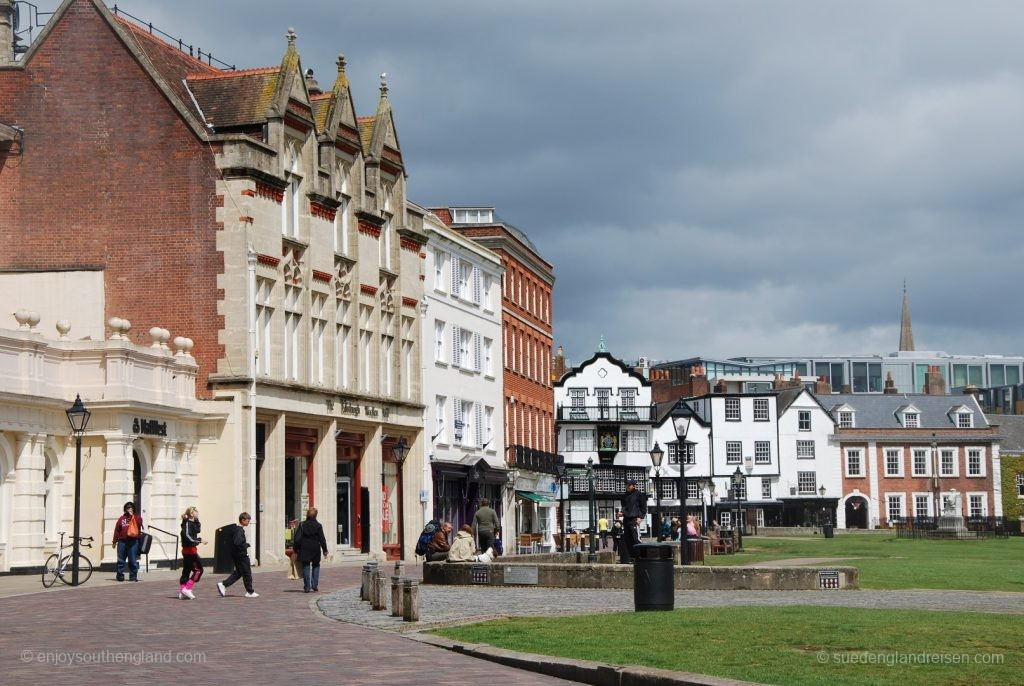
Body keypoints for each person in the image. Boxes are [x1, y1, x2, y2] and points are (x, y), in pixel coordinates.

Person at [217, 512, 258, 598]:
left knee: (239, 573)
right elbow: (237, 542)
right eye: (248, 520)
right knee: (247, 573)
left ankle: (223, 584)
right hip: (241, 556)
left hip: (238, 555)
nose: (249, 522)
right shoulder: (239, 530)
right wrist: (246, 545)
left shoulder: (237, 529)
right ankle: (250, 592)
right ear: (243, 520)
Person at [293, 507, 329, 593]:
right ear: (316, 515)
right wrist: (325, 550)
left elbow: (297, 539)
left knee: (306, 566)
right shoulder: (318, 525)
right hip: (315, 548)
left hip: (305, 548)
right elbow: (322, 539)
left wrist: (295, 549)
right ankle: (314, 585)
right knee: (316, 565)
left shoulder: (302, 524)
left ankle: (307, 587)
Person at [112, 501, 144, 582]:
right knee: (120, 560)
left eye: (131, 507)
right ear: (125, 509)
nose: (130, 509)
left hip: (133, 542)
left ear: (133, 508)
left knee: (132, 560)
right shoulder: (121, 518)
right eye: (128, 508)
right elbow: (117, 530)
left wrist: (132, 516)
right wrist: (114, 541)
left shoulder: (137, 517)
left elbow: (139, 524)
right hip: (122, 541)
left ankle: (133, 576)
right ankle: (120, 575)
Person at [178, 506, 205, 599]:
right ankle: (187, 589)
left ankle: (182, 591)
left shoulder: (191, 523)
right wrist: (199, 541)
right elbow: (188, 537)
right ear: (191, 513)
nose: (197, 513)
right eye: (196, 511)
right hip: (189, 551)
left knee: (186, 570)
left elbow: (198, 530)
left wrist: (197, 520)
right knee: (198, 570)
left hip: (190, 550)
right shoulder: (187, 524)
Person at [619, 479, 647, 564]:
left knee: (636, 539)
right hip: (626, 519)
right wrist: (621, 513)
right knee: (628, 540)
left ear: (634, 485)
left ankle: (641, 557)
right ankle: (632, 558)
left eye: (628, 485)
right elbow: (624, 507)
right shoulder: (624, 495)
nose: (626, 486)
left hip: (634, 519)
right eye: (626, 485)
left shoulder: (639, 494)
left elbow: (643, 507)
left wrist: (640, 517)